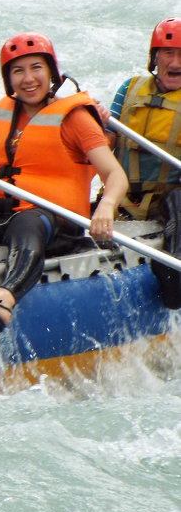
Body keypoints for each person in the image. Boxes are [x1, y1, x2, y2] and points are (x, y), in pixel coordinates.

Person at [0, 32, 128, 330]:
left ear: (51, 71)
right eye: (18, 71)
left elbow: (115, 174)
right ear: (8, 78)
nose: (28, 79)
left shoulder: (75, 117)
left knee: (29, 222)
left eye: (36, 68)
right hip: (4, 217)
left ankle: (5, 298)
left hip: (55, 223)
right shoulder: (2, 111)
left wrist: (106, 207)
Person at [110, 17, 181, 307]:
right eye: (167, 52)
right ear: (154, 57)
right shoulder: (129, 89)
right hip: (124, 200)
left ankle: (175, 267)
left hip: (170, 203)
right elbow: (103, 144)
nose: (175, 61)